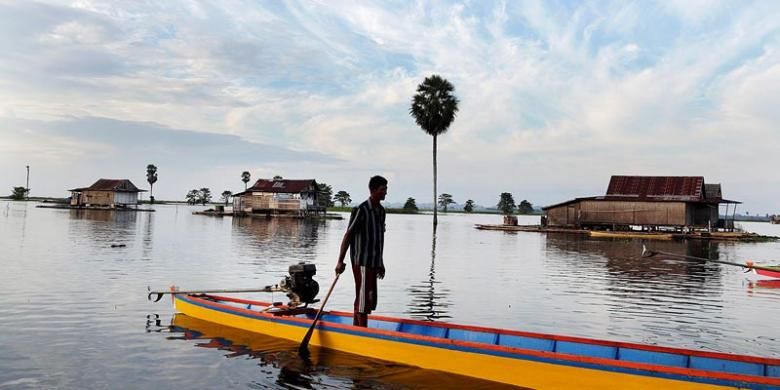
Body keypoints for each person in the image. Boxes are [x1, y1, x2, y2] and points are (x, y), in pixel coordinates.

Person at [335, 175, 387, 327]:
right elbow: (348, 236)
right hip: (361, 261)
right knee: (363, 299)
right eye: (382, 190)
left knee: (368, 298)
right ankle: (362, 333)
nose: (385, 193)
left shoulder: (381, 211)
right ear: (373, 190)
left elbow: (379, 239)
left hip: (373, 261)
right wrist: (340, 261)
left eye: (385, 189)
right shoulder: (361, 210)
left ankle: (355, 329)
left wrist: (380, 263)